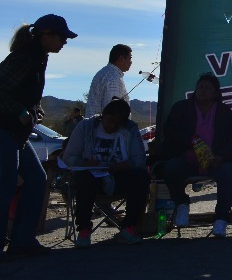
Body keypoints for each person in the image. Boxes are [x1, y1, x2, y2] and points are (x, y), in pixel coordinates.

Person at [0, 14, 77, 260]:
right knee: (5, 187)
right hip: (4, 130)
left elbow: (21, 93)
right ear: (46, 34)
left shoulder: (37, 58)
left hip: (16, 133)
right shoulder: (24, 58)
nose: (64, 42)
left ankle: (22, 241)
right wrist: (20, 111)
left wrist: (34, 110)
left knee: (36, 179)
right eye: (62, 37)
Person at [159, 72, 232, 237]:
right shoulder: (181, 108)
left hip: (215, 160)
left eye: (207, 87)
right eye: (200, 87)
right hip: (187, 158)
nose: (203, 90)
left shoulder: (225, 113)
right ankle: (182, 203)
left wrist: (222, 157)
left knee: (227, 172)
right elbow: (170, 132)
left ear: (216, 93)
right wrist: (186, 149)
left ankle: (221, 219)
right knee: (171, 167)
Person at [62, 97, 149, 247]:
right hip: (91, 175)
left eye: (118, 123)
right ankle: (83, 229)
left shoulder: (130, 129)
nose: (112, 126)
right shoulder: (86, 127)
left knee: (141, 177)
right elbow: (69, 157)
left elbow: (140, 159)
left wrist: (121, 166)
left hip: (118, 176)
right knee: (84, 179)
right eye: (110, 120)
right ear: (103, 115)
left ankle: (128, 228)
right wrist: (85, 163)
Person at [85, 44, 132, 118]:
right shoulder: (113, 78)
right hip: (104, 128)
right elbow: (112, 111)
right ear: (121, 59)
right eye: (129, 58)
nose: (131, 62)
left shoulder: (104, 73)